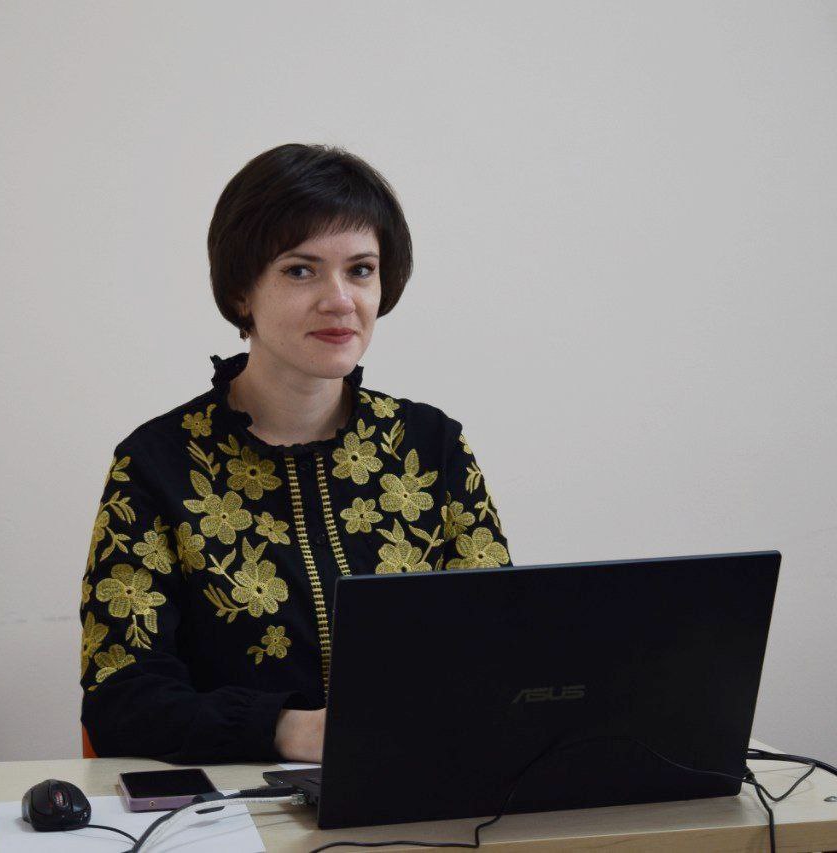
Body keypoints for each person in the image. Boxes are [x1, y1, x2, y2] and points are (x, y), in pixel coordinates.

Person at [79, 143, 512, 764]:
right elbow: (121, 697)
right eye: (301, 271)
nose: (340, 300)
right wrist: (289, 731)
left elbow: (501, 645)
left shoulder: (430, 445)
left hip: (420, 784)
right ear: (241, 293)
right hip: (235, 802)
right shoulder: (156, 464)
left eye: (360, 270)